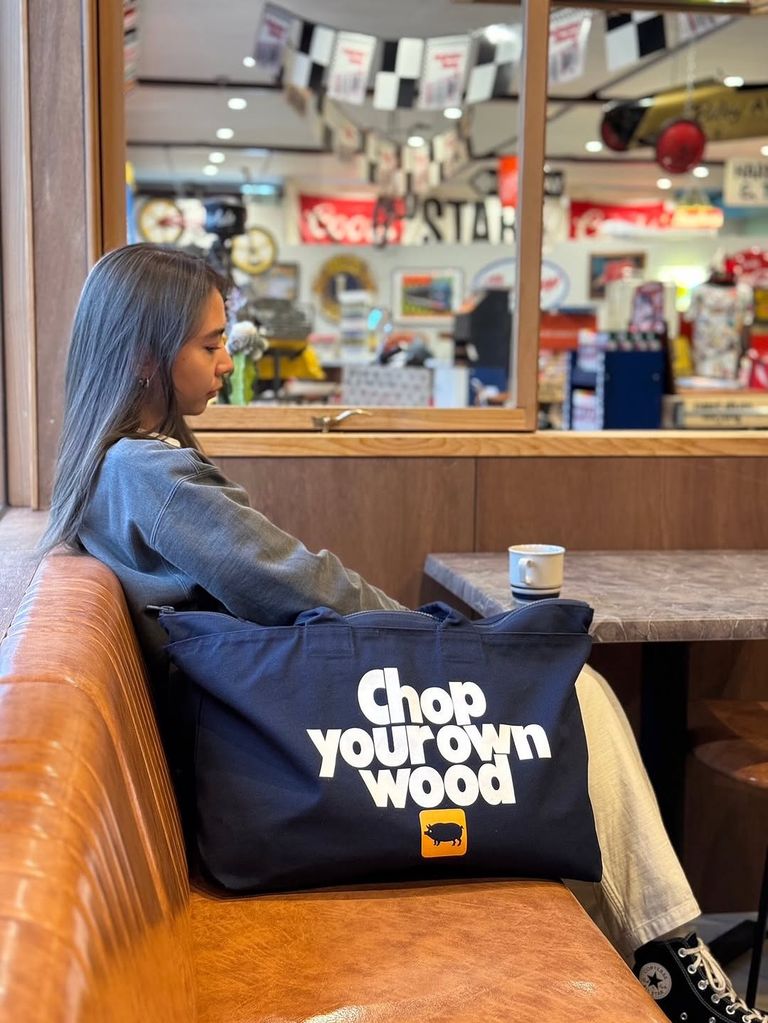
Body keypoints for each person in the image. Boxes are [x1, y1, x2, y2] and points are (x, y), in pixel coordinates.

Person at [40, 244, 766, 1023]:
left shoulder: (119, 469)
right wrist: (436, 640)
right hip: (269, 754)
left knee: (566, 701)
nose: (226, 363)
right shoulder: (148, 475)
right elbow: (296, 583)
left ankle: (661, 964)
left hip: (260, 734)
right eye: (211, 344)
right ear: (146, 357)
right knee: (573, 693)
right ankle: (675, 967)